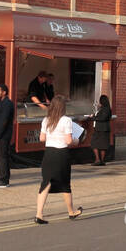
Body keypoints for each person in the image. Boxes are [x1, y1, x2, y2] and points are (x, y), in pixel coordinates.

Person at [34, 95, 86, 224]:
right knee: (65, 184)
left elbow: (41, 138)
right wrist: (77, 140)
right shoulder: (66, 120)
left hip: (48, 154)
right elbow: (69, 141)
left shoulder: (46, 120)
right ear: (63, 107)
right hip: (61, 154)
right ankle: (71, 212)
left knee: (46, 183)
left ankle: (39, 214)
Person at [91, 94, 114, 166]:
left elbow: (102, 118)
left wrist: (93, 117)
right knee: (103, 145)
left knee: (94, 143)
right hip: (105, 129)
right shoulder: (107, 108)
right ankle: (102, 160)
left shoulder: (105, 109)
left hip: (100, 129)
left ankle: (98, 160)